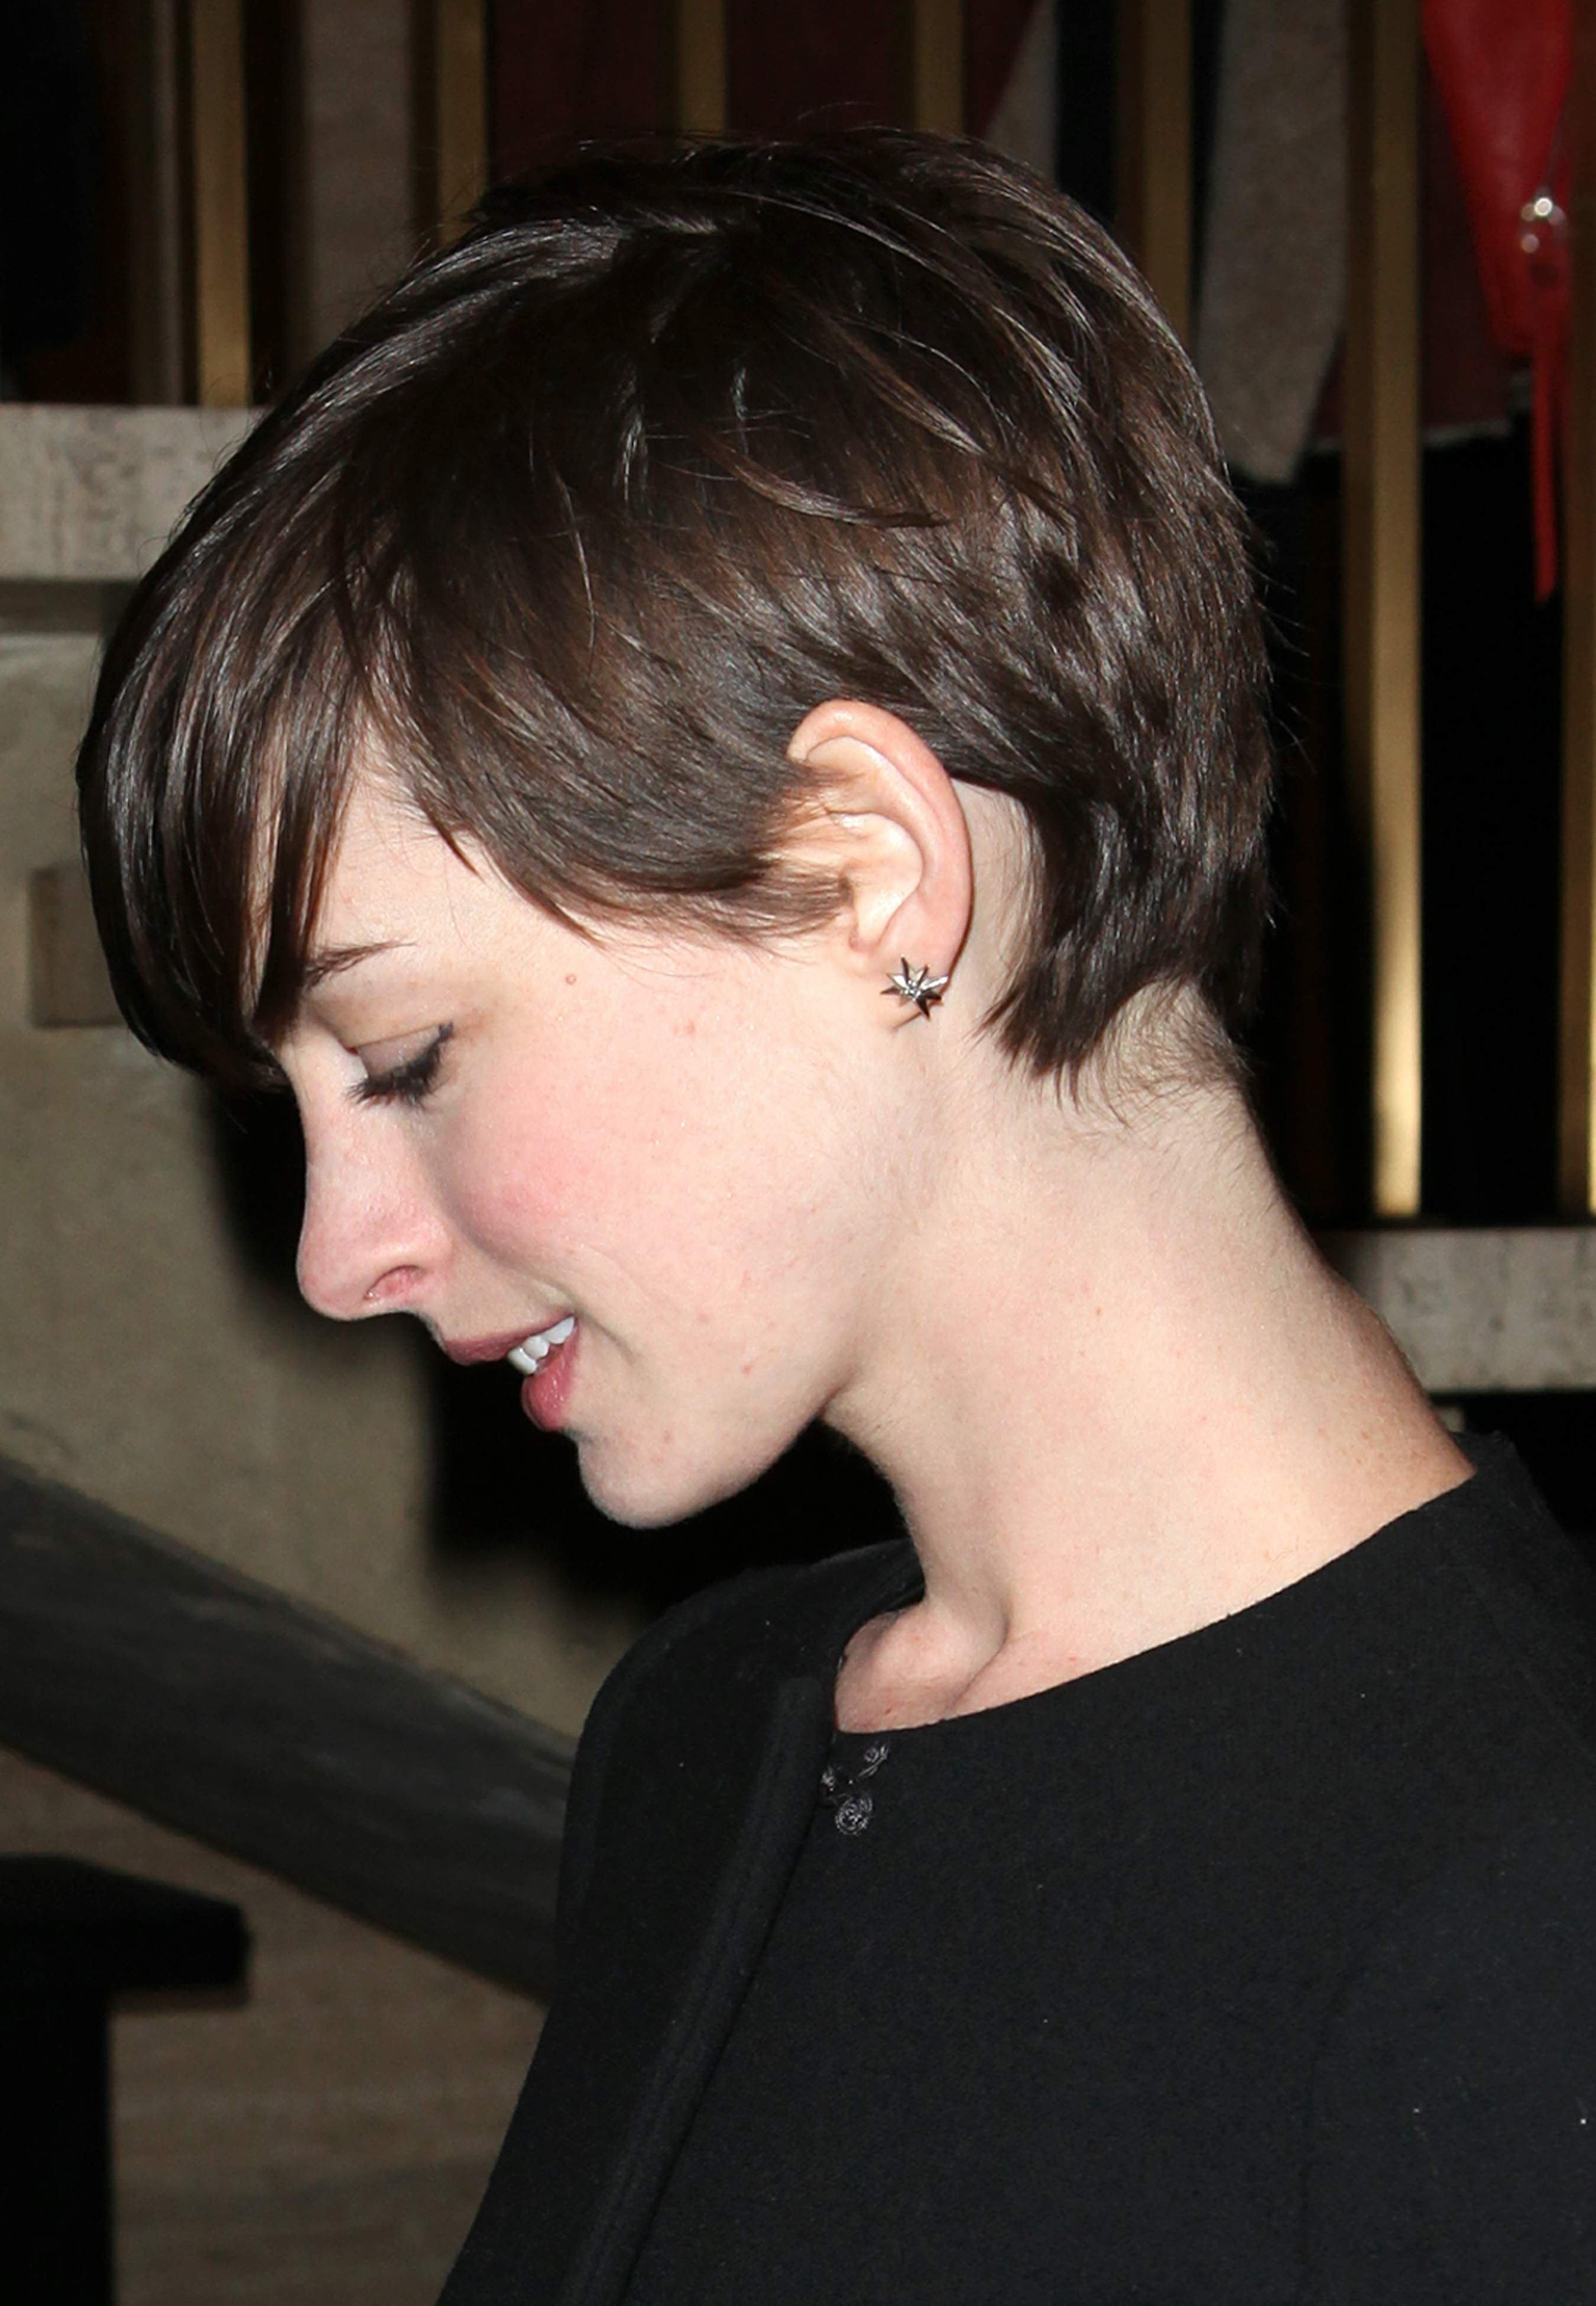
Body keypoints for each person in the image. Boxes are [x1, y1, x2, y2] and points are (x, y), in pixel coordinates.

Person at [77, 131, 1596, 2304]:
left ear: (864, 870)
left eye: (402, 1056)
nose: (337, 1257)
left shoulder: (1525, 1914)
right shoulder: (712, 1730)